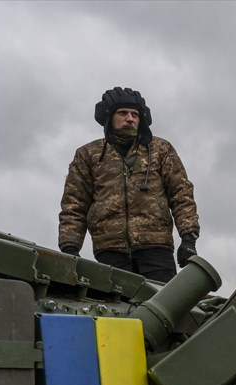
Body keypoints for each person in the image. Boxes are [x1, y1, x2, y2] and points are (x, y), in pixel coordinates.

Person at [58, 87, 200, 283]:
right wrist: (70, 247)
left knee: (163, 307)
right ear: (110, 117)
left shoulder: (160, 150)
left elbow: (181, 194)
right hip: (110, 250)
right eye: (123, 113)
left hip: (156, 248)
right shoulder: (89, 154)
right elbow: (74, 203)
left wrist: (188, 237)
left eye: (135, 114)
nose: (130, 119)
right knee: (117, 309)